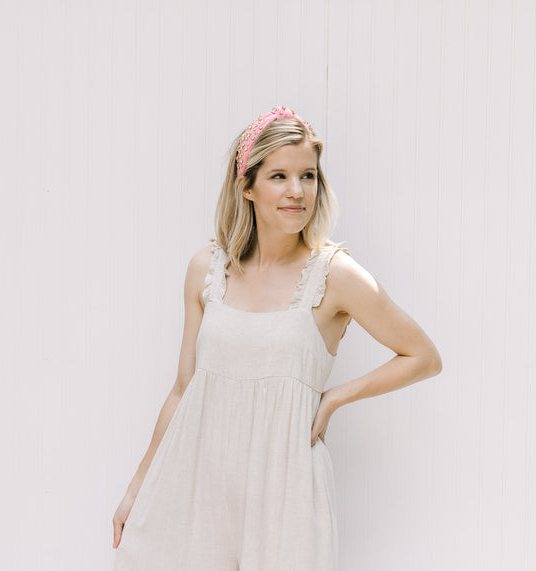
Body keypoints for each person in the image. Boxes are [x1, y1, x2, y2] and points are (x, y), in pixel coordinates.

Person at [111, 106, 443, 570]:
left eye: (308, 176)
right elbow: (183, 389)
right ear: (246, 186)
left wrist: (331, 400)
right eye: (279, 176)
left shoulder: (334, 275)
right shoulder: (206, 270)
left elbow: (423, 356)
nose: (297, 192)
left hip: (284, 491)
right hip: (198, 485)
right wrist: (135, 490)